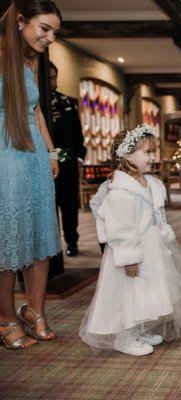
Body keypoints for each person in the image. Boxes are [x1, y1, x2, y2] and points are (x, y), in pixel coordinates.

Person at [79, 124, 181, 356]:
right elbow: (119, 228)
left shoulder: (149, 183)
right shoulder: (120, 192)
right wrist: (129, 258)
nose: (153, 157)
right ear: (128, 155)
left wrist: (164, 237)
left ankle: (136, 330)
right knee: (128, 293)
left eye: (153, 151)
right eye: (147, 152)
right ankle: (123, 336)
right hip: (130, 251)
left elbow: (157, 215)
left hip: (151, 247)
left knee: (145, 290)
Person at [0, 0, 62, 350]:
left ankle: (34, 311)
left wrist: (52, 153)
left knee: (40, 231)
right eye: (45, 28)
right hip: (4, 151)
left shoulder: (31, 59)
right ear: (21, 21)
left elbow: (37, 111)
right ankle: (6, 317)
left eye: (54, 31)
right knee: (9, 234)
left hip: (34, 151)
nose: (50, 37)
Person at [49, 61, 86, 257]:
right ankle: (52, 247)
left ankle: (72, 240)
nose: (54, 82)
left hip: (68, 162)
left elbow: (77, 133)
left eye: (55, 77)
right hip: (45, 162)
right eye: (50, 78)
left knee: (69, 205)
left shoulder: (66, 102)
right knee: (50, 206)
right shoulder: (36, 103)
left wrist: (80, 157)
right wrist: (48, 121)